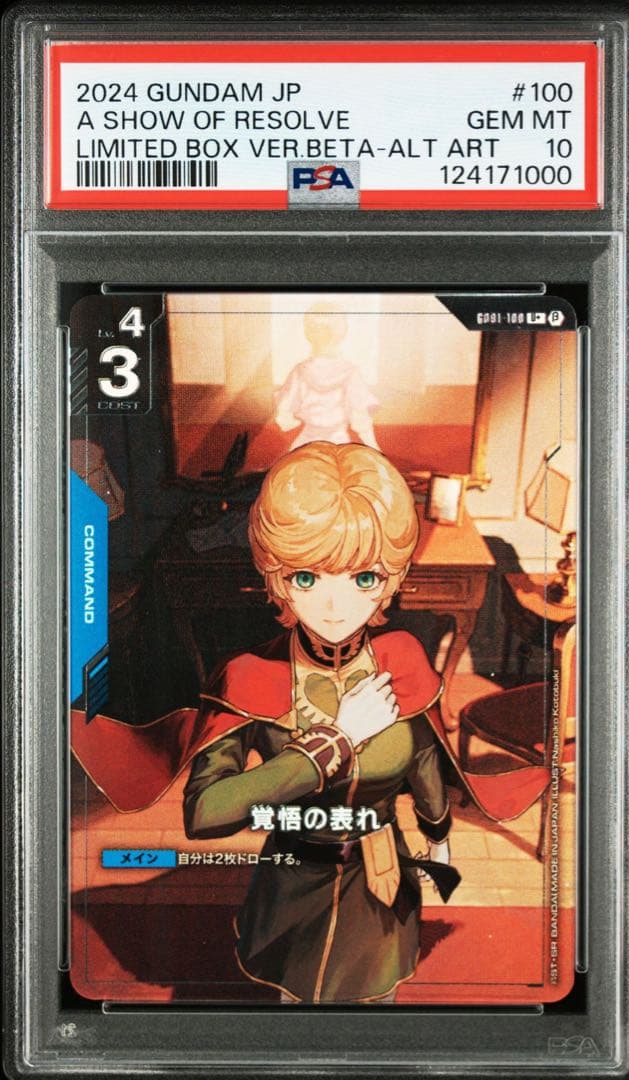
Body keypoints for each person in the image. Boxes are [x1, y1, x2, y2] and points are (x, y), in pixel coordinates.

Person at [182, 441, 454, 1003]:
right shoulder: (248, 674)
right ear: (275, 578)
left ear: (393, 579)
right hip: (292, 879)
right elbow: (205, 813)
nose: (335, 605)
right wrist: (335, 740)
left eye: (364, 578)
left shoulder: (403, 658)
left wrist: (438, 835)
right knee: (294, 1012)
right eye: (306, 577)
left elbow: (424, 757)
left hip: (382, 877)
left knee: (376, 1007)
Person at [274, 303, 380, 451]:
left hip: (306, 443)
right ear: (342, 333)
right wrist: (376, 451)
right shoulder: (350, 372)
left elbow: (285, 418)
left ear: (308, 334)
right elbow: (360, 420)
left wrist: (290, 420)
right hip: (340, 443)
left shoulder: (300, 371)